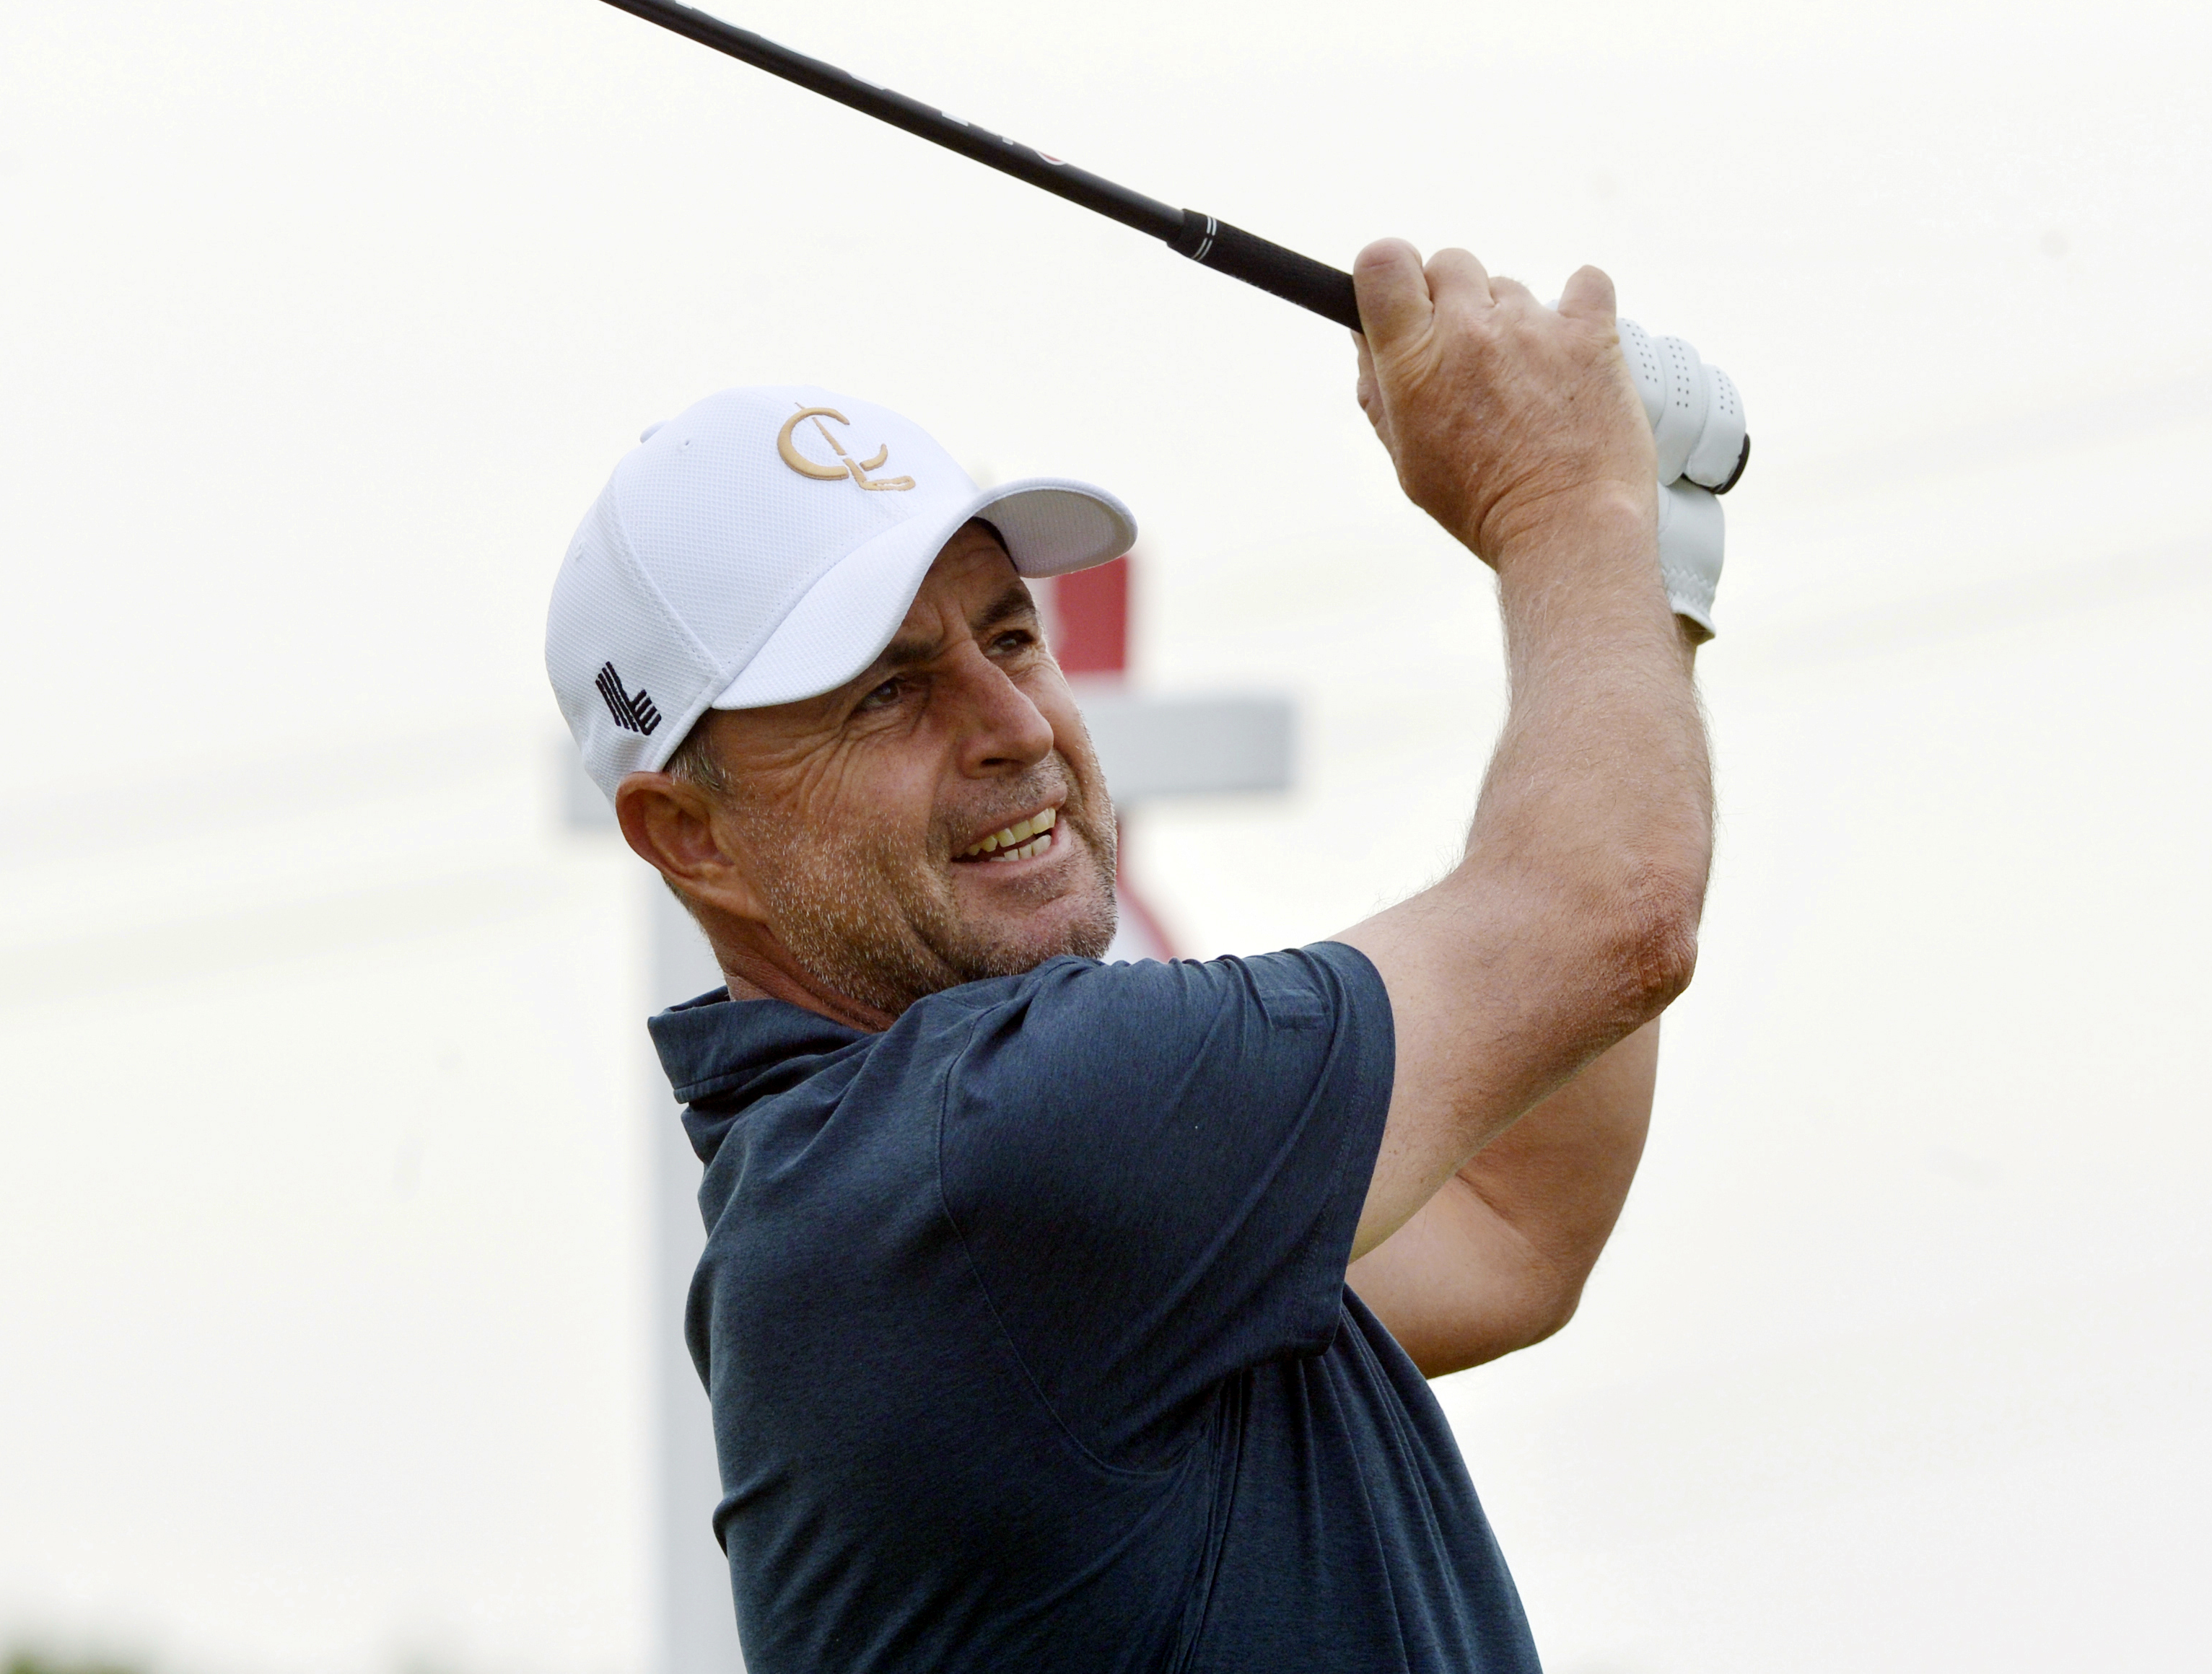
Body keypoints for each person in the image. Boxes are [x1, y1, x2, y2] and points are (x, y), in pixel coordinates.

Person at [543, 243, 1718, 1672]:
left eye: (1010, 634)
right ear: (691, 835)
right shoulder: (985, 1154)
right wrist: (1556, 497)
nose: (1012, 721)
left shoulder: (958, 1208)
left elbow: (1507, 1218)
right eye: (888, 693)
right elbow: (1605, 912)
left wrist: (1636, 558)